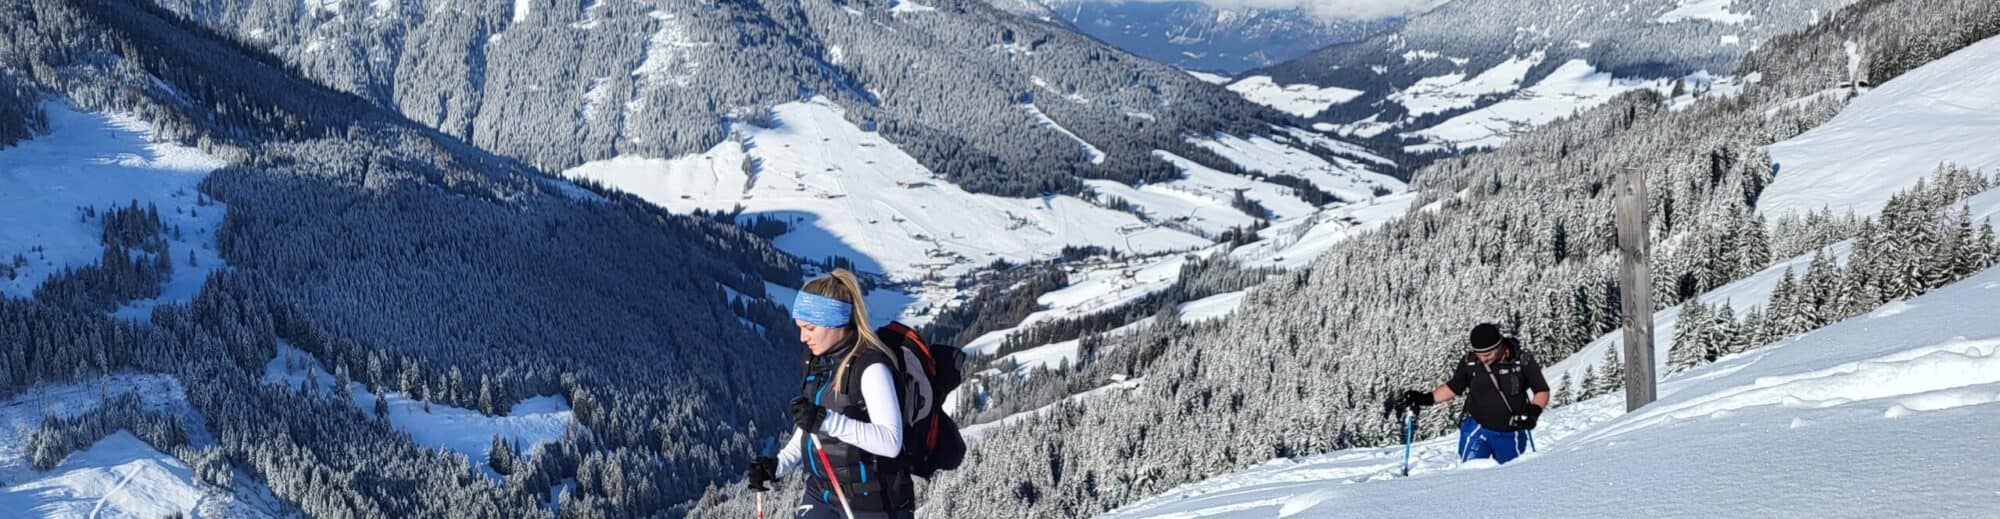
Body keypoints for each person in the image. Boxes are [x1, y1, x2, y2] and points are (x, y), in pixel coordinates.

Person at [746, 269, 914, 518]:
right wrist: (779, 465)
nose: (803, 337)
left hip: (872, 504)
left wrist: (827, 420)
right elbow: (811, 426)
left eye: (810, 328)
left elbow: (890, 443)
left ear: (835, 322)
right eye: (800, 328)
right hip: (821, 493)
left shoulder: (871, 368)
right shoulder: (819, 363)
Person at [1400, 323, 1551, 465]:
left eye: (1488, 354)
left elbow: (1541, 390)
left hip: (1511, 431)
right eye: (1479, 354)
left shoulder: (1522, 361)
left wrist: (1533, 413)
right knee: (1469, 474)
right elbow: (1453, 387)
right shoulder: (1470, 362)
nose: (1483, 359)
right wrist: (1425, 398)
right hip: (1476, 427)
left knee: (1510, 478)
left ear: (1500, 346)